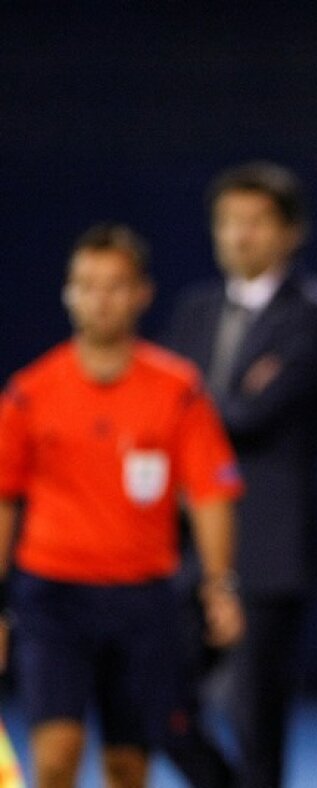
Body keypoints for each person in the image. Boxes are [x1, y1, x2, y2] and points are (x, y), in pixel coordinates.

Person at [0, 224, 245, 788]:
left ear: (142, 294)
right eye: (86, 285)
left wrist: (220, 585)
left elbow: (210, 493)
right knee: (56, 757)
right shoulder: (30, 392)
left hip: (143, 604)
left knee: (128, 767)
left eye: (114, 286)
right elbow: (4, 500)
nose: (100, 299)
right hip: (53, 599)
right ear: (68, 294)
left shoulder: (178, 389)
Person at [162, 162, 317, 788]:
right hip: (188, 545)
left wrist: (186, 412)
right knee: (161, 705)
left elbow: (247, 415)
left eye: (256, 221)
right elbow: (175, 412)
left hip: (267, 549)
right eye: (228, 222)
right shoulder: (194, 310)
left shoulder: (313, 314)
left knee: (256, 724)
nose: (239, 235)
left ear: (293, 231)